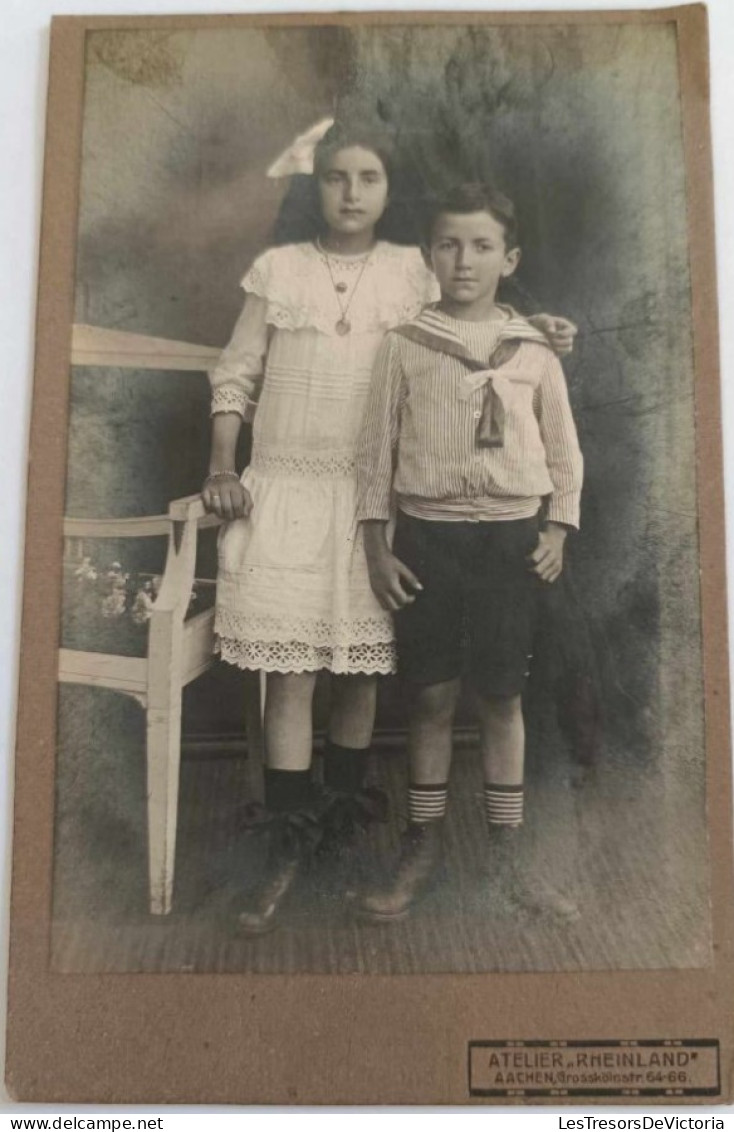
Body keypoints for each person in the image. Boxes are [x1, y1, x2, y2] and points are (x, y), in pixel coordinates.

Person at [203, 124, 577, 936]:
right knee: (295, 676)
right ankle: (290, 847)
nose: (350, 192)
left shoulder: (417, 266)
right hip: (296, 490)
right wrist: (222, 465)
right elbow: (236, 370)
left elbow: (478, 318)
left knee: (365, 677)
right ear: (316, 187)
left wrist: (541, 331)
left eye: (367, 177)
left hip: (387, 503)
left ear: (386, 188)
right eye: (336, 177)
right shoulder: (279, 270)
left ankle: (344, 835)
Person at [354, 182, 584, 923]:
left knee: (501, 695)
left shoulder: (534, 351)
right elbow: (374, 454)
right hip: (429, 541)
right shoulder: (405, 346)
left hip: (510, 543)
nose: (464, 260)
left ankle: (507, 850)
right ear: (429, 256)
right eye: (449, 244)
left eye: (482, 246)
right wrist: (376, 548)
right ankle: (421, 843)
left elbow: (565, 450)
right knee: (429, 696)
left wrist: (556, 529)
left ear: (508, 258)